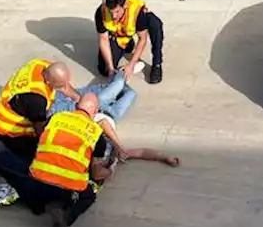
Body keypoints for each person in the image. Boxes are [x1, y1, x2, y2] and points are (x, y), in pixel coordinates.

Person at [48, 66, 180, 171]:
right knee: (131, 94)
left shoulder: (95, 145)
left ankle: (122, 72)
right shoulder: (116, 154)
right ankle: (121, 83)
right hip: (113, 114)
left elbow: (102, 123)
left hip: (96, 106)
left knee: (117, 83)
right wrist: (165, 157)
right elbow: (141, 152)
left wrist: (118, 146)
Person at [26, 93, 111, 227]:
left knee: (37, 176)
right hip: (68, 186)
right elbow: (97, 173)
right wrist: (109, 171)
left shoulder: (56, 118)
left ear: (76, 106)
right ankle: (66, 217)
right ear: (95, 111)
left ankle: (38, 206)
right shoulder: (96, 134)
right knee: (89, 195)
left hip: (38, 178)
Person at [0, 59, 78, 175]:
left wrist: (77, 98)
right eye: (59, 85)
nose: (63, 87)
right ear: (48, 81)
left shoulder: (38, 64)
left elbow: (63, 84)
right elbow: (40, 130)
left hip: (2, 111)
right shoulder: (36, 99)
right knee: (33, 163)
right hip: (9, 128)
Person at [96, 0, 164, 85]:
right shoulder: (101, 12)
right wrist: (111, 69)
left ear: (124, 6)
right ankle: (127, 45)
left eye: (117, 12)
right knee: (104, 70)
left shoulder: (137, 11)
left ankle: (157, 64)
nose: (114, 16)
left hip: (136, 24)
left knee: (155, 24)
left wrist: (131, 65)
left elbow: (142, 39)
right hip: (120, 35)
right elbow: (103, 39)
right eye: (111, 12)